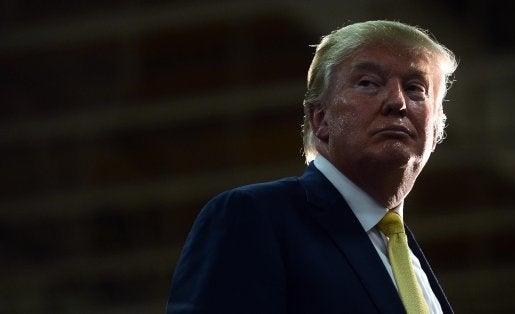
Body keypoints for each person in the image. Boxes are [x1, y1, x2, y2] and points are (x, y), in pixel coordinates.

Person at [166, 20, 457, 314]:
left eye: (415, 88)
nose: (397, 101)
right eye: (368, 83)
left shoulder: (411, 262)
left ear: (436, 131)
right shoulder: (253, 216)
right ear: (320, 119)